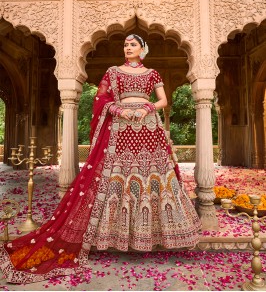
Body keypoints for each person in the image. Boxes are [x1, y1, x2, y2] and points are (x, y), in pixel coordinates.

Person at [0, 34, 201, 284]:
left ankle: (154, 233)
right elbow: (102, 99)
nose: (128, 48)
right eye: (125, 45)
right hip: (120, 128)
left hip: (148, 127)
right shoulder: (113, 71)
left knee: (154, 177)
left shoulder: (152, 73)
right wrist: (117, 109)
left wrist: (145, 108)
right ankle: (113, 234)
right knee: (118, 178)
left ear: (142, 49)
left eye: (133, 45)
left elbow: (163, 100)